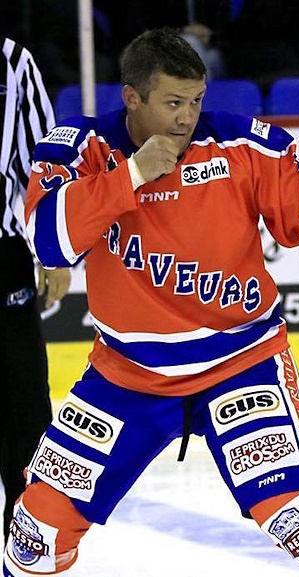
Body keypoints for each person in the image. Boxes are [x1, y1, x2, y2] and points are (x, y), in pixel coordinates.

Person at [3, 28, 299, 576]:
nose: (186, 117)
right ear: (131, 98)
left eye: (195, 101)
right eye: (172, 102)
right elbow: (48, 239)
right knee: (33, 536)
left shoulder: (240, 144)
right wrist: (133, 176)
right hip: (125, 376)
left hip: (239, 366)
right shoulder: (81, 148)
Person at [0, 36, 71, 544]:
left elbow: (43, 163)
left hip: (2, 257)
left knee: (22, 403)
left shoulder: (12, 61)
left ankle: (25, 543)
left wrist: (53, 252)